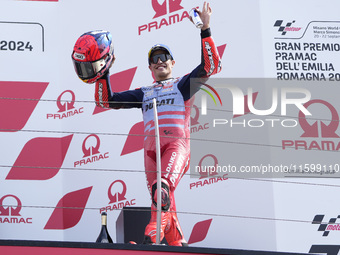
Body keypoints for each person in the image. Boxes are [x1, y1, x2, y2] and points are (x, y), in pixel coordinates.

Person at [72, 2, 222, 246]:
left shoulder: (183, 84)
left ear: (172, 63)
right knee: (162, 198)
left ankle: (151, 236)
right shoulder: (144, 92)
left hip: (176, 146)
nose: (159, 61)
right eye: (154, 59)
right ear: (150, 67)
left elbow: (211, 66)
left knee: (161, 190)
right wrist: (104, 70)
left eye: (164, 57)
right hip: (150, 151)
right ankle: (176, 244)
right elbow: (105, 101)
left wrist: (205, 29)